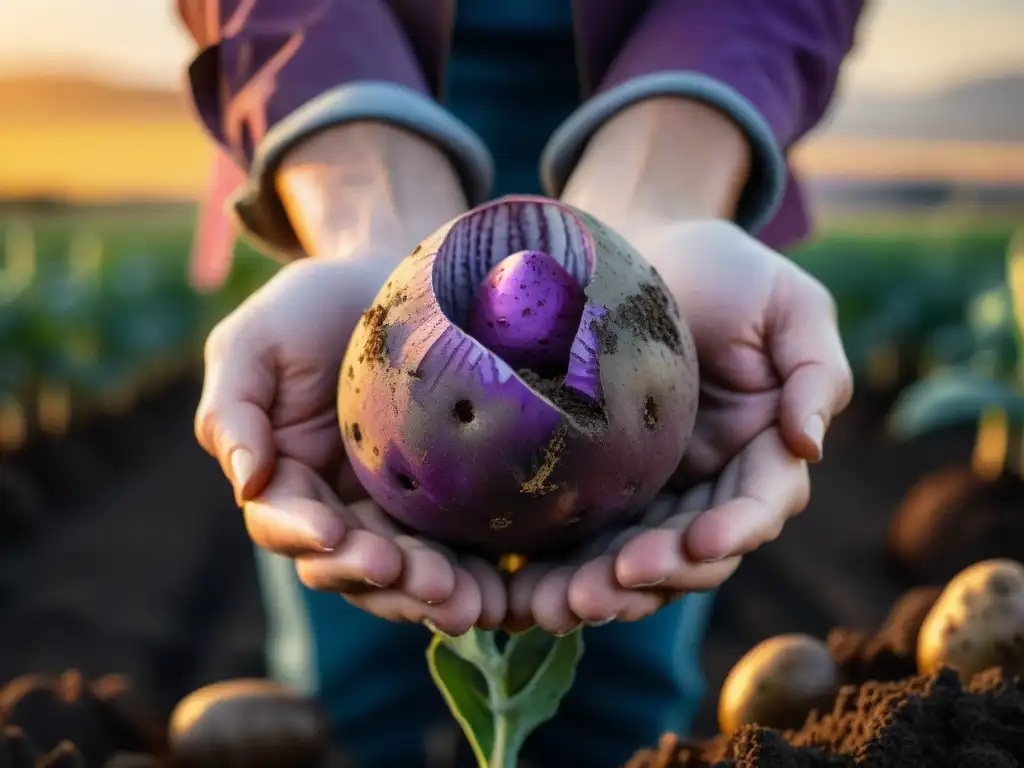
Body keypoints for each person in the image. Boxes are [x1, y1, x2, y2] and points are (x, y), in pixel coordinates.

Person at [177, 1, 861, 765]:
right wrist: (361, 202)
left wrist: (668, 182)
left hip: (669, 92)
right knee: (349, 690)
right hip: (350, 88)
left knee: (626, 694)